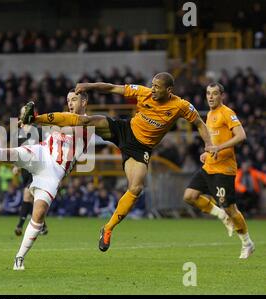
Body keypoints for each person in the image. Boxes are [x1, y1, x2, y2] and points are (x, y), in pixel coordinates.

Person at [20, 72, 214, 252]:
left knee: (136, 188)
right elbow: (113, 88)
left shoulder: (181, 106)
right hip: (124, 129)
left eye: (157, 87)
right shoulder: (144, 93)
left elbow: (199, 124)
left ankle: (108, 228)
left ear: (169, 90)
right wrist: (89, 85)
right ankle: (35, 117)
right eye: (152, 85)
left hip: (140, 149)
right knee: (86, 121)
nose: (152, 89)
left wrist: (209, 146)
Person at [0, 90, 92, 270]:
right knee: (12, 153)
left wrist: (35, 118)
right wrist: (31, 120)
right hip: (42, 152)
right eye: (68, 99)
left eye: (74, 99)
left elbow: (69, 126)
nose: (70, 103)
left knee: (38, 214)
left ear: (84, 102)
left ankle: (19, 258)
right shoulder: (62, 117)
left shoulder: (89, 123)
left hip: (54, 171)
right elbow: (54, 125)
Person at [183, 83, 255, 259]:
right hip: (209, 166)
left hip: (224, 170)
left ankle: (247, 243)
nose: (210, 97)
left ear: (221, 95)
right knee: (189, 196)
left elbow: (241, 136)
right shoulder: (209, 114)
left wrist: (218, 148)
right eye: (208, 93)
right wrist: (206, 152)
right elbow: (212, 141)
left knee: (231, 209)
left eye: (214, 94)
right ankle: (220, 214)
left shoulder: (227, 113)